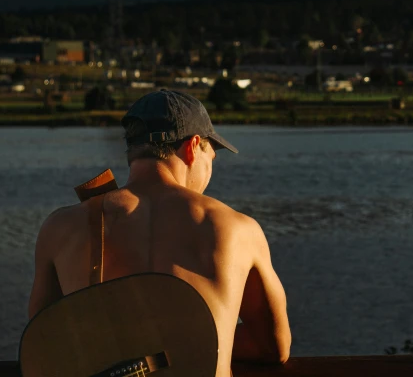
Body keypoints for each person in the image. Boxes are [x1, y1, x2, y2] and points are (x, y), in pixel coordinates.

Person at [27, 90, 291, 377]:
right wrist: (197, 347)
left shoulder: (61, 226)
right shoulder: (237, 229)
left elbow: (42, 346)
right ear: (192, 147)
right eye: (211, 155)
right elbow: (274, 347)